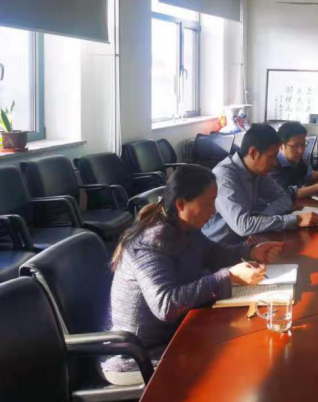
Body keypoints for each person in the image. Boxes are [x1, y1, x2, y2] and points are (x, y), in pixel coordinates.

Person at [103, 165, 284, 386]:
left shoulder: (185, 227)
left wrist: (251, 252)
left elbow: (212, 253)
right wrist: (228, 277)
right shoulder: (149, 244)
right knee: (236, 363)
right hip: (140, 356)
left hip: (177, 334)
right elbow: (166, 305)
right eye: (208, 203)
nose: (214, 211)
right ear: (181, 204)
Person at [202, 124, 318, 245]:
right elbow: (243, 226)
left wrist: (261, 221)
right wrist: (295, 220)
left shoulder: (257, 170)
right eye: (272, 157)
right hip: (219, 248)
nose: (275, 163)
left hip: (248, 241)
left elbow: (284, 198)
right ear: (253, 152)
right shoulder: (225, 177)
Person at [273, 121, 318, 197]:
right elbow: (287, 194)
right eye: (295, 146)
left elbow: (307, 174)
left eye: (303, 144)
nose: (301, 150)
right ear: (281, 146)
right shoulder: (273, 164)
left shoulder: (296, 159)